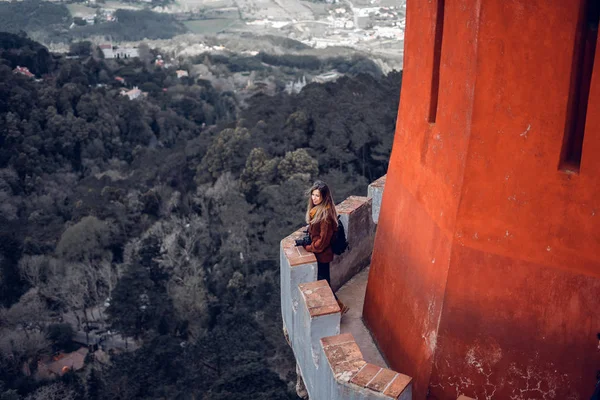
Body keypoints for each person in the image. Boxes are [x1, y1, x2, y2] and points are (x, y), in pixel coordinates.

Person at [299, 180, 349, 314]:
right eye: (313, 195)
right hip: (321, 254)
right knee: (324, 282)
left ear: (324, 198)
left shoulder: (325, 215)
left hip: (323, 255)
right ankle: (339, 307)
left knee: (324, 284)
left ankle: (339, 308)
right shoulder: (316, 212)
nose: (314, 198)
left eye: (317, 196)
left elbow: (322, 242)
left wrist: (308, 247)